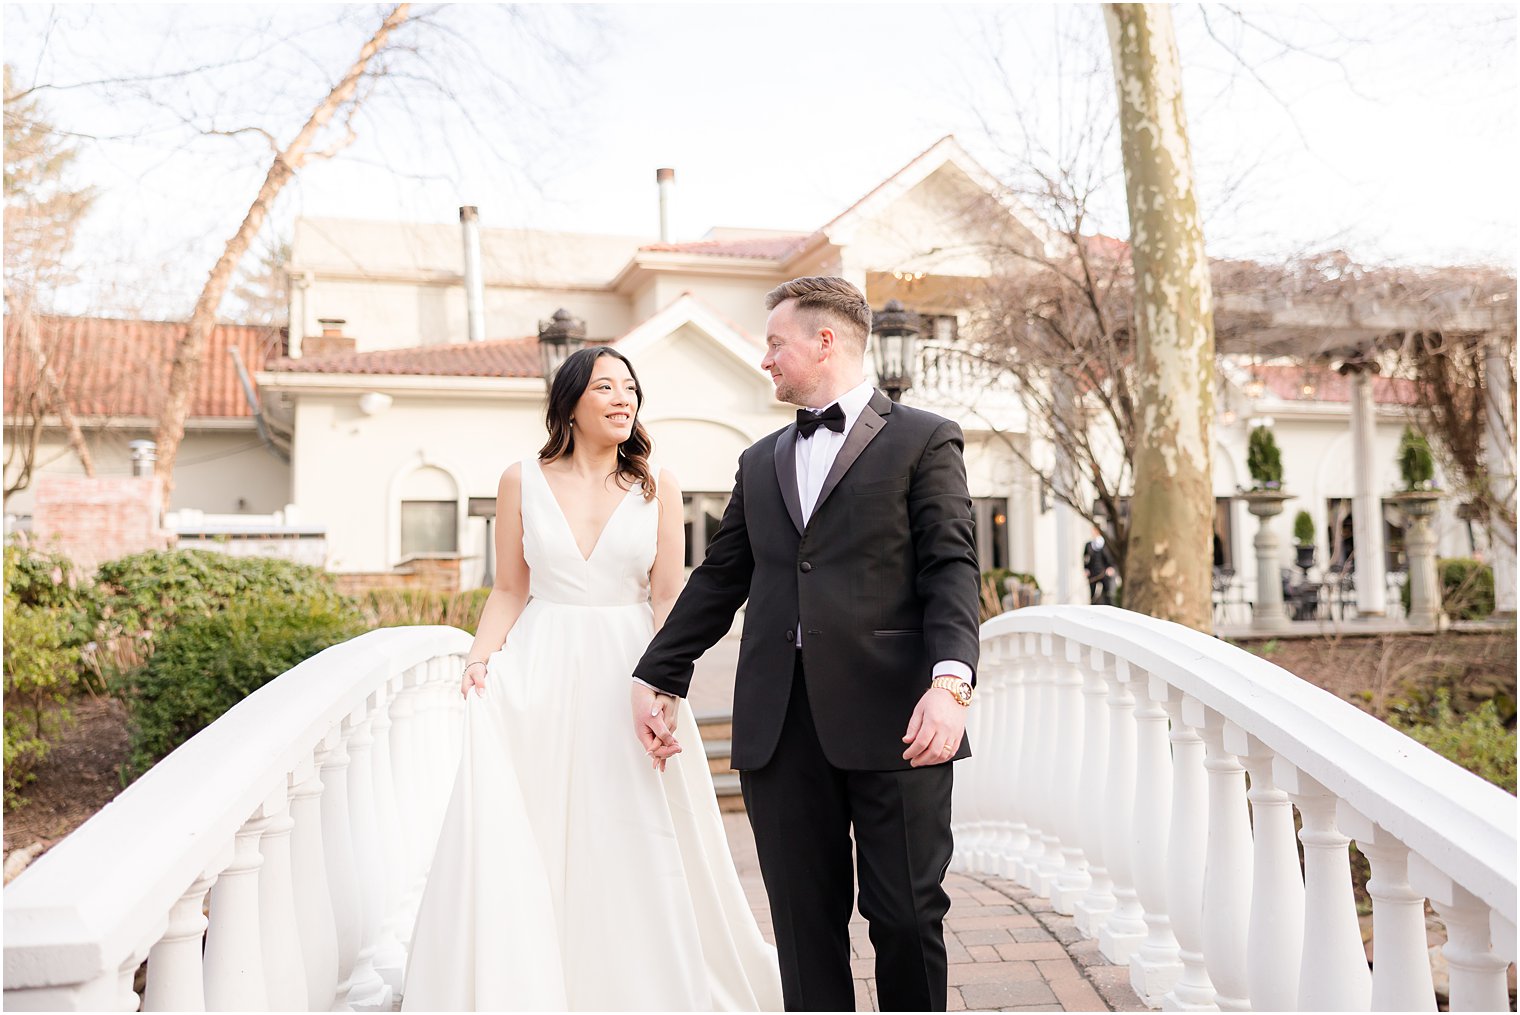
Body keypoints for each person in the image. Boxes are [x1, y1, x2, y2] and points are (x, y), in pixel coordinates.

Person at [631, 277, 981, 1012]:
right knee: (802, 927)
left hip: (900, 722)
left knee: (906, 916)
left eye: (775, 343)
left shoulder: (926, 438)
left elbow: (952, 568)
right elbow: (721, 576)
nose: (765, 360)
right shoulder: (759, 462)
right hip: (780, 728)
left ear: (825, 342)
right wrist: (658, 674)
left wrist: (951, 686)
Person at [401, 346, 782, 1011]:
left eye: (630, 387)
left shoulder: (658, 484)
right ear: (570, 401)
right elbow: (510, 588)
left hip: (633, 669)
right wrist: (478, 659)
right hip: (542, 671)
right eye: (605, 385)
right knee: (540, 826)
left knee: (633, 824)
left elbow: (669, 597)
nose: (622, 397)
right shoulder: (520, 478)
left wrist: (668, 682)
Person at [1083, 525, 1116, 605]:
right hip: (1093, 573)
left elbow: (1110, 558)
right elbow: (1085, 558)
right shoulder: (1089, 545)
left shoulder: (1106, 545)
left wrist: (1111, 568)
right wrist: (1086, 569)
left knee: (1107, 593)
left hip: (1104, 573)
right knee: (1092, 594)